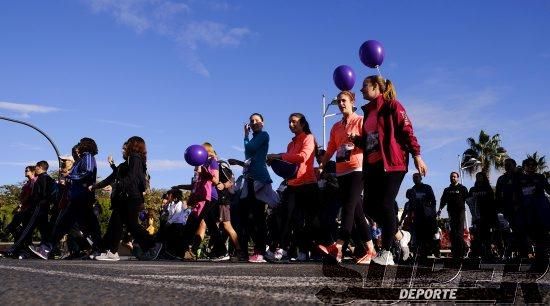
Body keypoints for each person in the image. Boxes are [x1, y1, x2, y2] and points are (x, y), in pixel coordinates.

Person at [351, 75, 427, 266]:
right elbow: (373, 140)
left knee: (386, 203)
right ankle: (400, 235)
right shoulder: (368, 112)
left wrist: (417, 155)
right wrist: (358, 141)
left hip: (393, 163)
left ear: (377, 87)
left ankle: (386, 253)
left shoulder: (393, 106)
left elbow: (407, 130)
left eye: (365, 86)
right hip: (373, 165)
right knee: (369, 206)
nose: (361, 90)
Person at [317, 90, 377, 264]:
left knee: (349, 208)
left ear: (352, 102)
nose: (341, 103)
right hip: (341, 171)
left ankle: (339, 247)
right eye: (339, 101)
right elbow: (331, 148)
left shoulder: (361, 121)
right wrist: (322, 164)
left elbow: (371, 144)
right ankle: (371, 250)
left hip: (358, 169)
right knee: (357, 213)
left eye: (344, 100)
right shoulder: (336, 126)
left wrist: (357, 139)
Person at [30, 138, 103, 260]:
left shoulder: (88, 157)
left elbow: (88, 172)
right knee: (72, 225)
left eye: (80, 144)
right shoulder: (82, 160)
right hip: (76, 197)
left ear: (86, 145)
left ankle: (47, 248)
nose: (78, 146)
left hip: (82, 197)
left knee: (85, 225)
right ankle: (47, 249)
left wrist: (70, 175)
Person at [93, 136, 161, 261]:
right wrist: (95, 186)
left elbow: (132, 178)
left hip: (131, 197)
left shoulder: (135, 158)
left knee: (132, 225)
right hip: (125, 198)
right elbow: (112, 177)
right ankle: (111, 252)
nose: (123, 150)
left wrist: (116, 184)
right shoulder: (128, 162)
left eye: (126, 146)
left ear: (133, 145)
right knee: (115, 225)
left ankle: (153, 243)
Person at [267, 113, 320, 261]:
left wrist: (279, 156)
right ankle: (283, 250)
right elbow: (289, 166)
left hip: (308, 184)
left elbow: (303, 156)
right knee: (287, 218)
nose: (291, 124)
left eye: (294, 122)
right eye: (289, 122)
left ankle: (306, 250)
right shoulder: (290, 144)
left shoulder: (309, 138)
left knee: (309, 221)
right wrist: (275, 164)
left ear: (302, 124)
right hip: (292, 185)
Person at [239, 113, 273, 263]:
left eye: (257, 121)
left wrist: (246, 135)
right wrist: (247, 136)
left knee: (258, 217)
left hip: (260, 179)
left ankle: (261, 252)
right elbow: (248, 152)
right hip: (250, 179)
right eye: (251, 121)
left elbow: (250, 147)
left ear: (262, 123)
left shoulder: (264, 135)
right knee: (249, 217)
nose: (253, 123)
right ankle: (252, 251)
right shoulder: (253, 138)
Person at [6, 161, 57, 258]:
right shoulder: (48, 179)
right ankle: (47, 252)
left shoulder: (42, 179)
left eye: (37, 167)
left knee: (28, 228)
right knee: (44, 230)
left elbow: (39, 194)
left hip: (38, 207)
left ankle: (15, 248)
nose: (35, 168)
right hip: (43, 207)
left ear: (40, 167)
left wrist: (39, 202)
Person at [517, 157, 550, 271]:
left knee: (542, 237)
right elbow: (517, 195)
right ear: (524, 166)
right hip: (527, 212)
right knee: (531, 238)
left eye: (533, 165)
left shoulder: (540, 177)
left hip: (541, 212)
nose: (531, 167)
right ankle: (536, 262)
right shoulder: (520, 179)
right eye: (528, 165)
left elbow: (547, 190)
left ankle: (543, 263)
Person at [404, 173, 437, 260]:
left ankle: (430, 251)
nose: (415, 179)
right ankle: (421, 254)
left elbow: (433, 200)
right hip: (417, 216)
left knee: (428, 234)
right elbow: (410, 204)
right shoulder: (412, 190)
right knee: (418, 235)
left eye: (416, 177)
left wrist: (433, 213)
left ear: (421, 178)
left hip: (427, 215)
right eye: (413, 178)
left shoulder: (427, 187)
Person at [438, 172, 469, 260]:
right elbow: (443, 200)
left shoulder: (462, 188)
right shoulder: (447, 190)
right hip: (451, 213)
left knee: (459, 232)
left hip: (460, 212)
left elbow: (469, 200)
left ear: (458, 178)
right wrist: (440, 209)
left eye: (455, 177)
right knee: (453, 233)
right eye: (451, 177)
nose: (453, 178)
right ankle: (455, 252)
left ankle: (463, 250)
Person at [468, 172, 496, 259]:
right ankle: (477, 252)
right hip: (476, 215)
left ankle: (488, 252)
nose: (479, 178)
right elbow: (468, 201)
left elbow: (492, 202)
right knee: (477, 235)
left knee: (487, 235)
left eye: (480, 176)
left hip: (487, 215)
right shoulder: (473, 189)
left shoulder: (488, 189)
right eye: (477, 177)